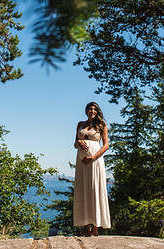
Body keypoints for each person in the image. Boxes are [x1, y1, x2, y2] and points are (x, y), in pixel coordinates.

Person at [73, 101, 111, 236]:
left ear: (97, 111)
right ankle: (86, 227)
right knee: (83, 190)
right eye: (90, 109)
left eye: (94, 109)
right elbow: (74, 144)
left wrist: (93, 158)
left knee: (95, 190)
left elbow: (106, 145)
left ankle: (95, 228)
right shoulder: (80, 125)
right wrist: (78, 141)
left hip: (95, 161)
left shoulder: (102, 125)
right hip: (82, 163)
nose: (92, 111)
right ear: (86, 111)